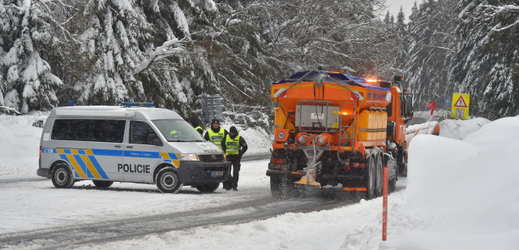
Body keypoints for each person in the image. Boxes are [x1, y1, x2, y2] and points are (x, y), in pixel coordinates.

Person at [221, 126, 247, 191]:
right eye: (231, 132)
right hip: (228, 157)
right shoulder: (226, 137)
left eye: (233, 133)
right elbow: (222, 143)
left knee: (236, 172)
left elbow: (245, 147)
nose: (232, 134)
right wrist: (225, 150)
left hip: (236, 158)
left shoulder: (239, 138)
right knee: (227, 172)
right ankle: (229, 185)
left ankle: (235, 186)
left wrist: (240, 153)